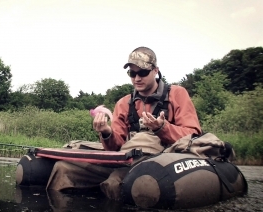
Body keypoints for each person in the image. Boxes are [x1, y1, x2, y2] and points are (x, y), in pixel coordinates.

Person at [46, 46, 202, 200]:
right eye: (132, 73)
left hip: (158, 161)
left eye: (143, 72)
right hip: (125, 159)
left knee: (115, 182)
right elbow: (115, 147)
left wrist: (162, 128)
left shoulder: (177, 94)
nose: (137, 78)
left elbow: (193, 135)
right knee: (62, 169)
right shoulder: (123, 103)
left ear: (155, 70)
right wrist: (106, 132)